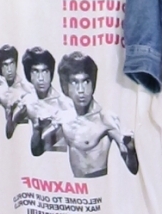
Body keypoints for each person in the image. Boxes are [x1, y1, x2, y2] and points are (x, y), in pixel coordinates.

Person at [54, 50, 139, 178]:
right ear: (66, 86)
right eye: (74, 82)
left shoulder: (106, 119)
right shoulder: (63, 118)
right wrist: (38, 130)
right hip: (74, 186)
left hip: (98, 185)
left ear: (93, 83)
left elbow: (133, 169)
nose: (81, 90)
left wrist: (130, 150)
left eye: (86, 82)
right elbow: (36, 151)